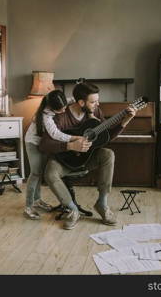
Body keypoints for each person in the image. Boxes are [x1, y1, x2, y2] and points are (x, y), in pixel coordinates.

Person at [39, 82, 136, 230]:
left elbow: (106, 136)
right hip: (63, 160)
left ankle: (102, 204)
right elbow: (44, 144)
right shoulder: (61, 114)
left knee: (108, 154)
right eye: (93, 101)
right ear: (81, 102)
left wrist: (125, 121)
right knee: (50, 173)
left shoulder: (96, 111)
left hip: (87, 158)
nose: (97, 104)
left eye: (97, 100)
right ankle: (73, 210)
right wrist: (70, 145)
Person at [24, 90, 82, 220]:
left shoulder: (59, 102)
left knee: (40, 172)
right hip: (33, 143)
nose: (63, 111)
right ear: (52, 108)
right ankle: (28, 207)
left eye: (65, 107)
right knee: (35, 174)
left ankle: (37, 200)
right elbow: (56, 134)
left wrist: (79, 96)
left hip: (43, 144)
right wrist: (75, 138)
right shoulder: (46, 116)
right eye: (60, 110)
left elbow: (72, 99)